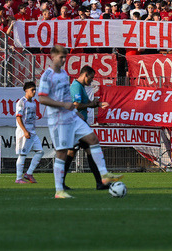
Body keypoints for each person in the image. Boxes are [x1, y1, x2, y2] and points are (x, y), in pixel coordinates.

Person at [37, 46, 120, 199]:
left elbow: (74, 102)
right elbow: (48, 99)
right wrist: (67, 107)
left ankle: (100, 180)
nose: (64, 60)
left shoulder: (65, 75)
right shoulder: (54, 78)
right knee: (67, 152)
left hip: (74, 120)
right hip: (65, 121)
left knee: (85, 146)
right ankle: (63, 187)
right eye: (61, 57)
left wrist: (96, 104)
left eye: (65, 57)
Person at [64, 65, 112, 191]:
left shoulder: (80, 87)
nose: (92, 80)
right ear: (85, 75)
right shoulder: (76, 87)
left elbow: (82, 104)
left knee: (72, 153)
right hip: (78, 124)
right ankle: (100, 183)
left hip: (77, 124)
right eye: (91, 77)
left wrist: (97, 104)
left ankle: (61, 182)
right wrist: (92, 104)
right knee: (92, 149)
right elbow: (76, 105)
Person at [14, 81, 44, 184]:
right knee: (22, 154)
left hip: (32, 132)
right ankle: (18, 178)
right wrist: (25, 131)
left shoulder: (34, 103)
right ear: (26, 90)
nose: (34, 92)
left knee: (40, 152)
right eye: (32, 90)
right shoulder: (21, 102)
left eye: (35, 89)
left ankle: (28, 173)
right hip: (24, 132)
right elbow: (18, 118)